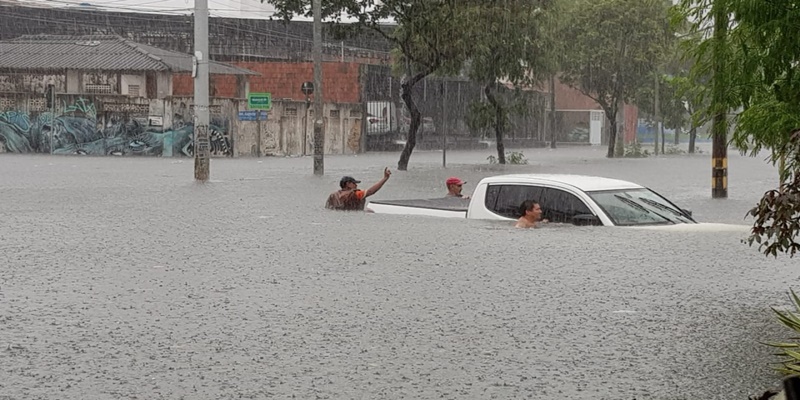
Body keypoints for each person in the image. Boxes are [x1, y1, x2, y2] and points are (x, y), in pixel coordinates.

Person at [325, 167, 391, 211]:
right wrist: (385, 178)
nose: (356, 185)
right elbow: (371, 191)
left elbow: (328, 209)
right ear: (347, 184)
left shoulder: (333, 195)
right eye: (354, 183)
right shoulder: (355, 193)